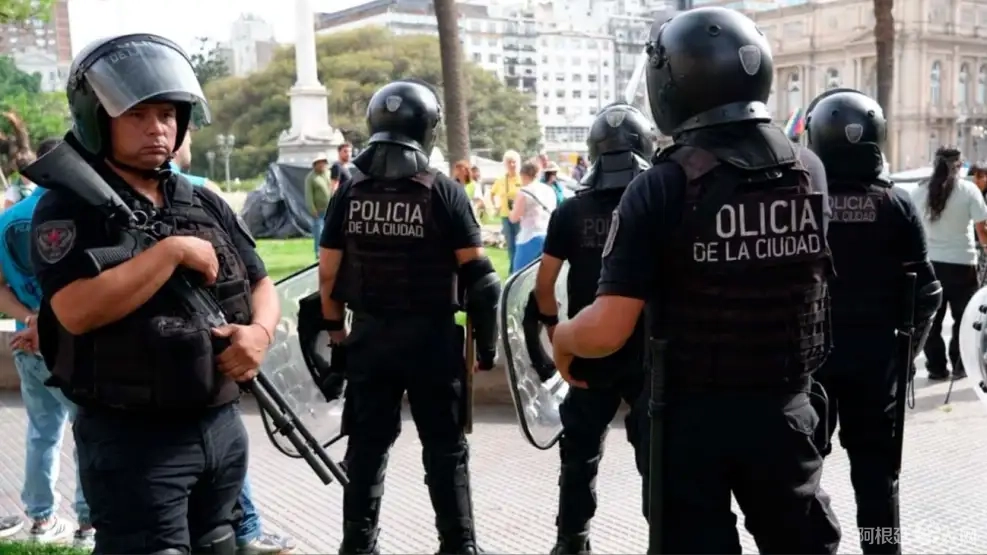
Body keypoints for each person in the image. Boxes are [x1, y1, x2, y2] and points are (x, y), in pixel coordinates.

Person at [551, 7, 842, 552]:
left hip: (691, 421)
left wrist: (563, 339)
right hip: (786, 412)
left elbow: (609, 329)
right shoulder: (810, 170)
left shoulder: (659, 186)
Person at [29, 33, 280, 554]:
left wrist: (258, 333)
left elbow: (259, 280)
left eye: (167, 114)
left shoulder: (202, 201)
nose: (157, 128)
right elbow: (73, 311)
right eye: (137, 115)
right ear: (98, 117)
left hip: (220, 425)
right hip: (133, 439)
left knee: (220, 543)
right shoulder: (68, 206)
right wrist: (168, 254)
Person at [318, 79, 498, 554]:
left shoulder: (348, 190)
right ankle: (459, 545)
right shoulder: (445, 191)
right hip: (433, 343)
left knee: (366, 451)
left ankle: (357, 545)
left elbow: (327, 277)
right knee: (445, 451)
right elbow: (481, 279)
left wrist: (337, 335)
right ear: (427, 129)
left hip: (370, 339)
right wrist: (486, 349)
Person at [805, 89, 942, 554]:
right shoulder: (897, 205)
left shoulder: (801, 202)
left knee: (802, 477)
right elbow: (928, 294)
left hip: (811, 363)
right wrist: (905, 356)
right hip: (875, 365)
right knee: (878, 485)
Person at [534, 102, 655, 554]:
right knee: (656, 463)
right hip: (647, 354)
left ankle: (571, 543)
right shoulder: (656, 205)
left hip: (587, 352)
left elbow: (543, 285)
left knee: (579, 457)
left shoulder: (570, 212)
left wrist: (555, 333)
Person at [0, 137, 92, 547]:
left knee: (42, 433)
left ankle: (40, 519)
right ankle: (89, 522)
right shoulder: (71, 213)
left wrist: (30, 317)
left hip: (27, 340)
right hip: (73, 339)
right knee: (89, 431)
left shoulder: (7, 219)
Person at [910, 146, 987, 380]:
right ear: (958, 165)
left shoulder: (919, 192)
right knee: (964, 318)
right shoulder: (968, 190)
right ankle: (960, 364)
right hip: (963, 264)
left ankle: (936, 367)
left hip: (930, 264)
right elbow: (982, 229)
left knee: (932, 319)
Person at [508, 161, 563, 270]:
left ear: (522, 175)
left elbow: (514, 218)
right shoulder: (549, 190)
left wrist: (510, 210)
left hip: (529, 236)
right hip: (547, 235)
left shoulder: (524, 192)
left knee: (518, 275)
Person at [490, 151, 522, 273]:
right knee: (510, 246)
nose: (512, 165)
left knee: (520, 245)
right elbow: (492, 194)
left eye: (514, 162)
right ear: (505, 164)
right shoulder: (501, 180)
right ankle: (513, 271)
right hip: (505, 216)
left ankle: (518, 270)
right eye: (509, 162)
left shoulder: (521, 178)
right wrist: (495, 206)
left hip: (520, 217)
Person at [305, 153, 333, 257]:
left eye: (323, 162)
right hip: (319, 210)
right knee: (319, 231)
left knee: (330, 231)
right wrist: (312, 209)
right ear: (315, 164)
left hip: (330, 209)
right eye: (319, 163)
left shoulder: (329, 174)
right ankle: (318, 252)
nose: (322, 165)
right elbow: (308, 195)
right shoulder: (311, 177)